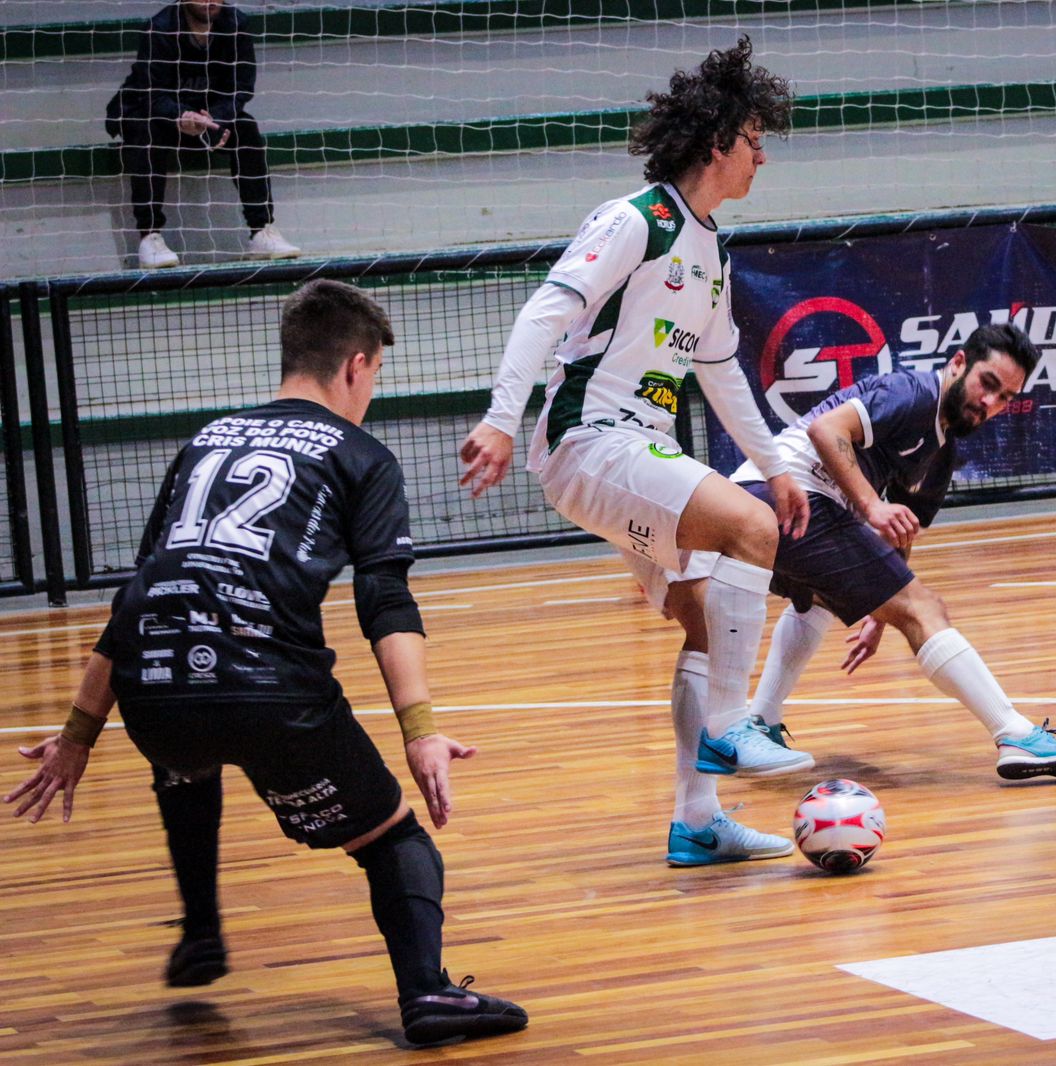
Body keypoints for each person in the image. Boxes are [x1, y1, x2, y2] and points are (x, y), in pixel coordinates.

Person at [6, 280, 524, 1047]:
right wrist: (420, 729)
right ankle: (428, 994)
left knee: (186, 759)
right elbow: (384, 597)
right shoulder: (361, 456)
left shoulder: (205, 441)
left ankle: (202, 934)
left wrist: (79, 733)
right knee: (393, 839)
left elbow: (142, 591)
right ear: (356, 366)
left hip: (154, 696)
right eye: (375, 378)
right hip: (270, 691)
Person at [458, 37, 813, 866]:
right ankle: (732, 726)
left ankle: (698, 820)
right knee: (751, 532)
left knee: (701, 622)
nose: (764, 153)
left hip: (634, 450)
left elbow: (723, 374)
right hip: (591, 440)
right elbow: (544, 313)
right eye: (755, 136)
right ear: (718, 140)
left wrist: (778, 467)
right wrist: (502, 417)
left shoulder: (713, 249)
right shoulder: (634, 220)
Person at [639, 323, 1056, 793]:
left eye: (1005, 397)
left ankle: (762, 716)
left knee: (821, 602)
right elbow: (827, 429)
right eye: (988, 384)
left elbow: (903, 530)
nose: (990, 403)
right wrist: (871, 507)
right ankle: (1015, 733)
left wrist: (880, 612)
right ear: (959, 364)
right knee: (925, 608)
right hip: (789, 496)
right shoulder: (914, 391)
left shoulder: (941, 454)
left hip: (767, 506)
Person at [106, 0, 300, 269]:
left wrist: (214, 118)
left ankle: (261, 231)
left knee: (247, 130)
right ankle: (149, 236)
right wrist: (181, 116)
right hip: (158, 114)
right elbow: (152, 92)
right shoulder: (159, 28)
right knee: (143, 131)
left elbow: (241, 87)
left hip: (208, 115)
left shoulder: (236, 24)